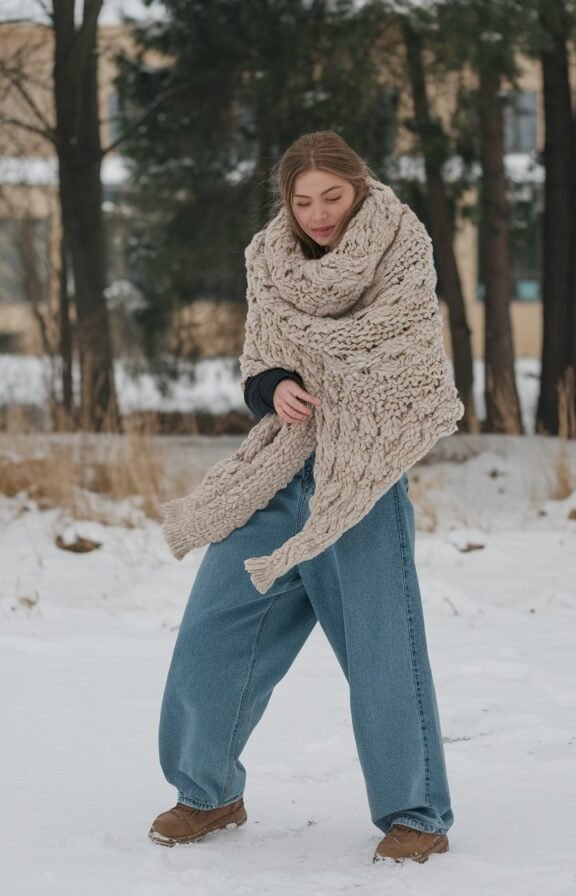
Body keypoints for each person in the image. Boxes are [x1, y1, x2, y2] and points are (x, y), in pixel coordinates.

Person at [149, 131, 455, 865]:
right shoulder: (269, 260)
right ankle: (209, 792)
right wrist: (273, 387)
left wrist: (326, 376)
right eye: (303, 200)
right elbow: (262, 360)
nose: (318, 214)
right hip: (278, 471)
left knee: (385, 652)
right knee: (211, 634)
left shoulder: (402, 248)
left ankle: (417, 813)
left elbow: (406, 359)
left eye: (332, 197)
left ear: (358, 189)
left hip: (363, 478)